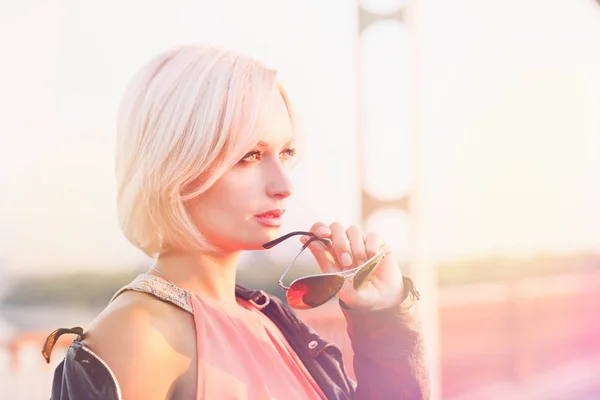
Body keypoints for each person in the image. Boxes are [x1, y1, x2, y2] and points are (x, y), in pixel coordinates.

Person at [42, 44, 429, 400]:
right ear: (177, 164)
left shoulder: (264, 316)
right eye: (250, 156)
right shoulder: (141, 335)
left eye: (287, 152)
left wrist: (383, 319)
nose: (284, 184)